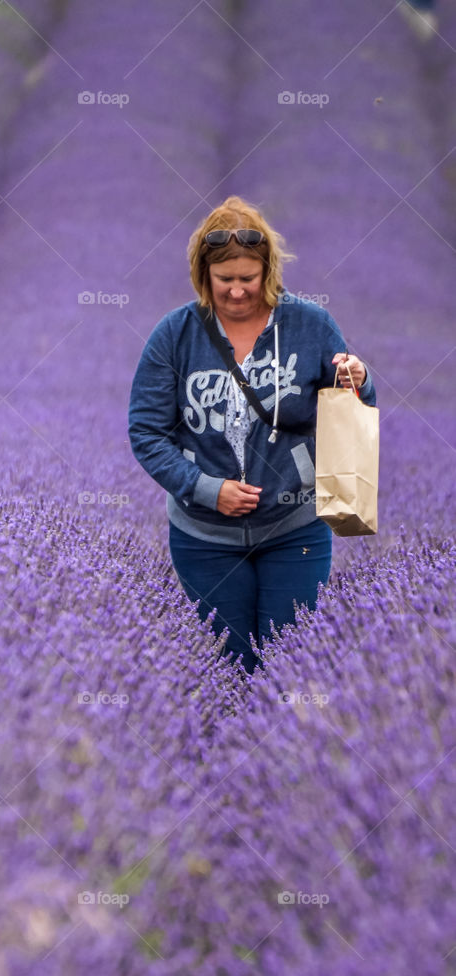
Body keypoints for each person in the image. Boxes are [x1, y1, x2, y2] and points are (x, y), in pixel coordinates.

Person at [128, 195, 376, 675]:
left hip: (294, 528)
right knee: (228, 667)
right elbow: (146, 432)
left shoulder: (309, 324)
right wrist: (206, 489)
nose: (238, 291)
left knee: (289, 661)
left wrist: (359, 379)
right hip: (204, 537)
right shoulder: (175, 335)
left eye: (249, 279)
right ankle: (228, 747)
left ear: (269, 272)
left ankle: (287, 746)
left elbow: (354, 410)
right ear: (204, 276)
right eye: (225, 280)